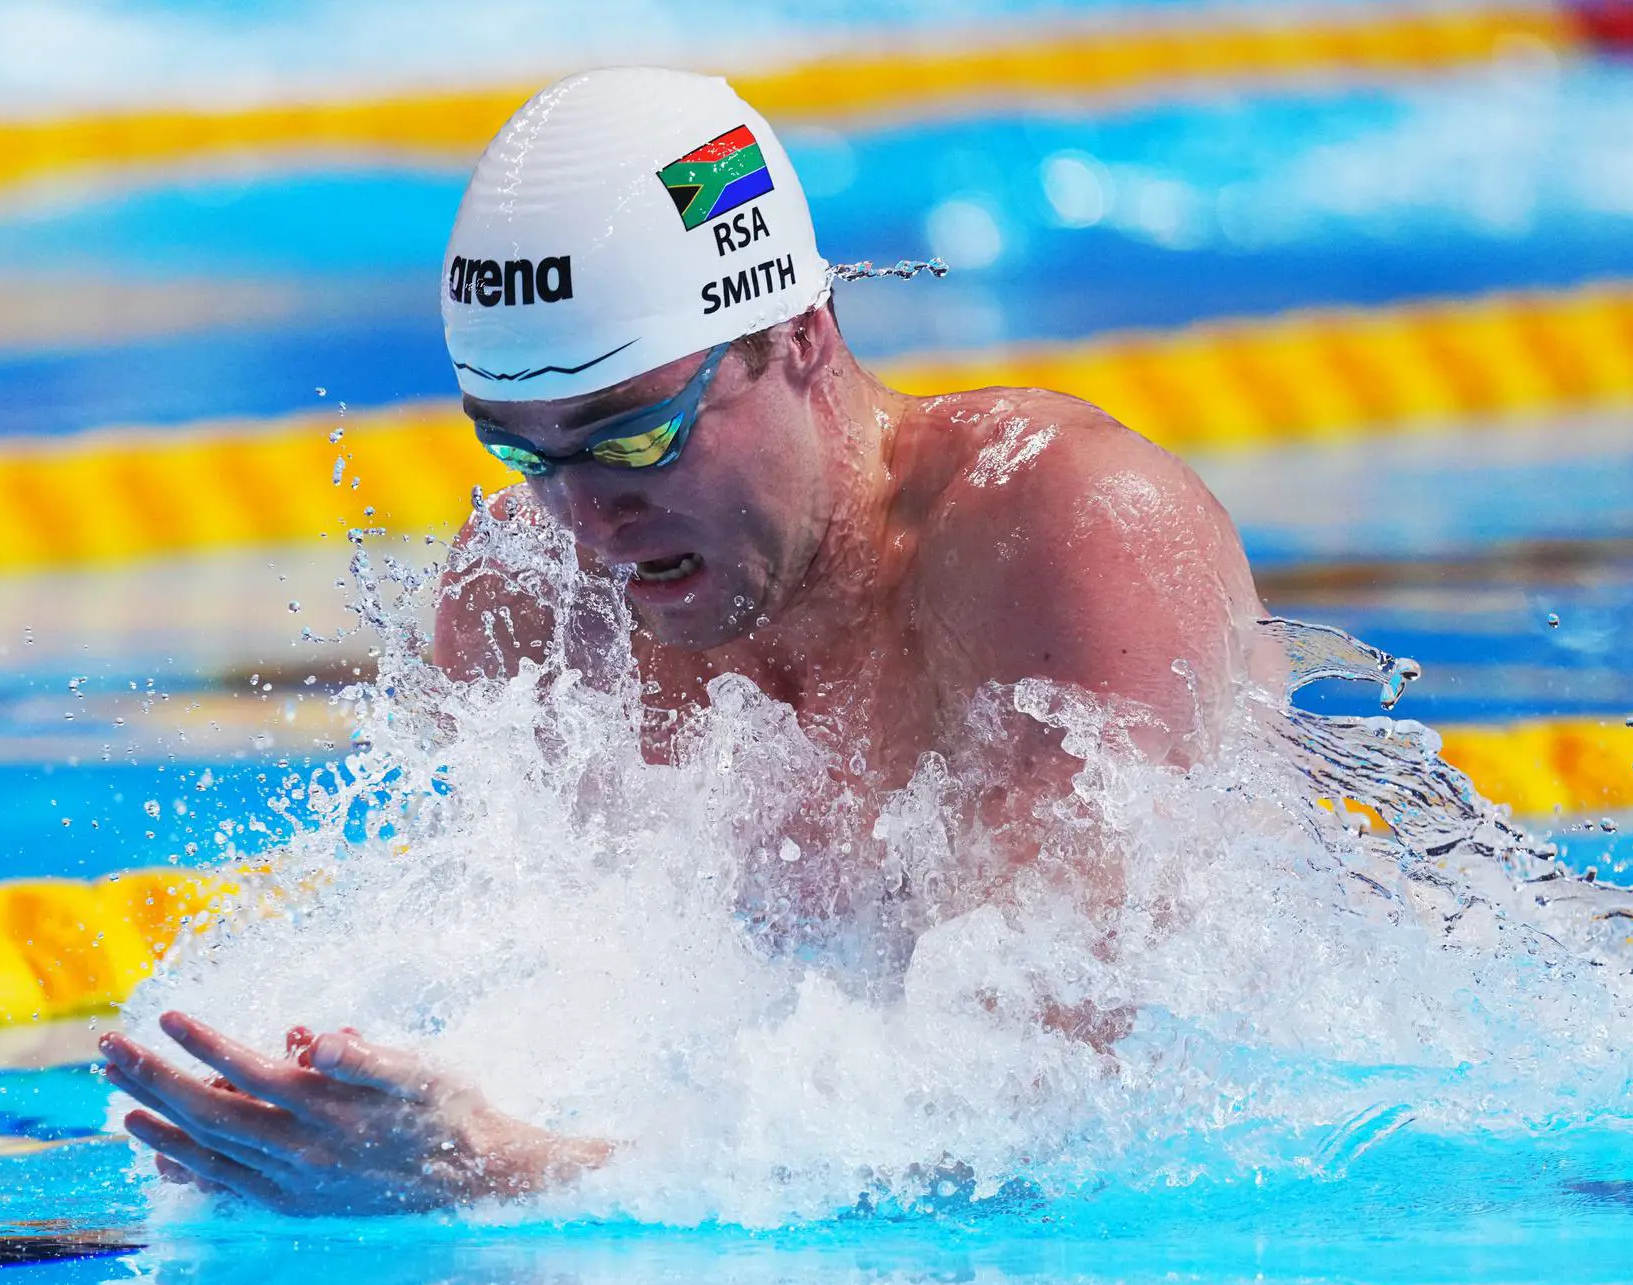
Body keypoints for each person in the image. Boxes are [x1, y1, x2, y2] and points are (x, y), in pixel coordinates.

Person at [100, 67, 1273, 1213]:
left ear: (800, 337)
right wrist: (319, 1112)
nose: (583, 520)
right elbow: (541, 997)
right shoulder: (533, 610)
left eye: (633, 436)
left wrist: (508, 1171)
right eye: (522, 452)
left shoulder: (1065, 534)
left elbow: (1035, 1101)